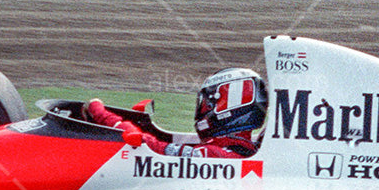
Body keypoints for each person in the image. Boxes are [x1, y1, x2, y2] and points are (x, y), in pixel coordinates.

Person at [82, 68, 267, 158]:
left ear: (226, 108)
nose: (203, 109)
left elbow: (151, 147)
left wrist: (101, 114)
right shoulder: (243, 149)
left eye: (206, 104)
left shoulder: (212, 154)